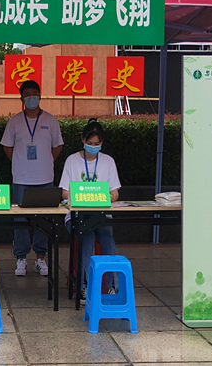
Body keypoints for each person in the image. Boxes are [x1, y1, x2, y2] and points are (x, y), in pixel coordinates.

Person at [0, 80, 63, 277]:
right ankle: (21, 258)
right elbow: (7, 146)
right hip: (21, 178)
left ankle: (40, 258)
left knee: (44, 218)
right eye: (27, 94)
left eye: (34, 93)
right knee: (20, 218)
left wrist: (46, 162)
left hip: (45, 178)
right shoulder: (15, 121)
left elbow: (57, 146)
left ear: (40, 96)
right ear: (21, 98)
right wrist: (20, 163)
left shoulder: (51, 120)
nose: (31, 97)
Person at [60, 118, 121, 303]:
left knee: (107, 239)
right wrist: (83, 196)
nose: (93, 147)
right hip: (76, 215)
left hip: (101, 215)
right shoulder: (72, 161)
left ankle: (112, 287)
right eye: (90, 143)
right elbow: (64, 192)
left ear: (102, 143)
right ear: (82, 140)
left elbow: (115, 192)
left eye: (97, 144)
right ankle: (82, 287)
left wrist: (109, 196)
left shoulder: (108, 161)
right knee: (86, 237)